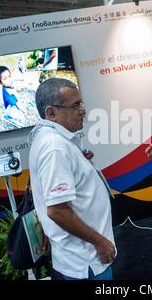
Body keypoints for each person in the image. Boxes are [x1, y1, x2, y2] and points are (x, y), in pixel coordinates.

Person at [28, 78, 116, 280]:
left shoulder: (53, 138)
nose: (83, 111)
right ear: (52, 113)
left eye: (81, 104)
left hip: (83, 254)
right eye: (75, 106)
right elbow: (57, 211)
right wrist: (99, 242)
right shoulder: (55, 147)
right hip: (86, 260)